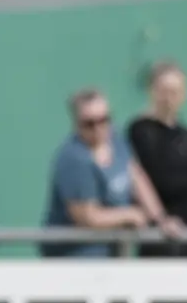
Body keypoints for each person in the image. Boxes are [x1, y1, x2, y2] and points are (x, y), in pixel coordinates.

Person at [42, 88, 177, 258]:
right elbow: (87, 216)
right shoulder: (73, 158)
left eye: (104, 120)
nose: (98, 128)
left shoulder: (116, 140)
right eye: (89, 123)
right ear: (76, 123)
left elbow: (136, 177)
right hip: (75, 258)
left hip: (111, 255)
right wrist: (129, 215)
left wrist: (160, 219)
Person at [126, 61, 187, 256]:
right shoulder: (140, 131)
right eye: (164, 90)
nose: (169, 98)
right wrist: (160, 219)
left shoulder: (186, 135)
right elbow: (137, 177)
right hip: (165, 239)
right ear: (151, 91)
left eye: (175, 91)